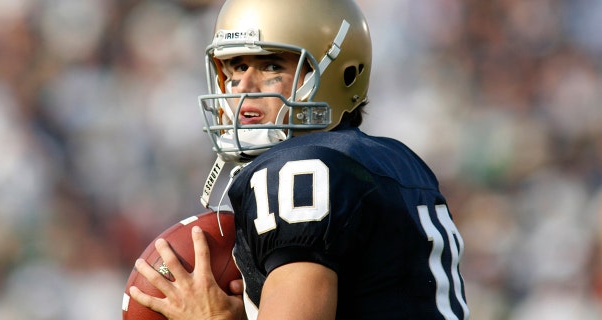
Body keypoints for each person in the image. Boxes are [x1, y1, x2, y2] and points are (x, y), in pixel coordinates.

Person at [130, 0, 470, 319]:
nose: (243, 87)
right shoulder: (398, 159)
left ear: (342, 73)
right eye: (236, 66)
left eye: (271, 66)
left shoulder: (299, 169)